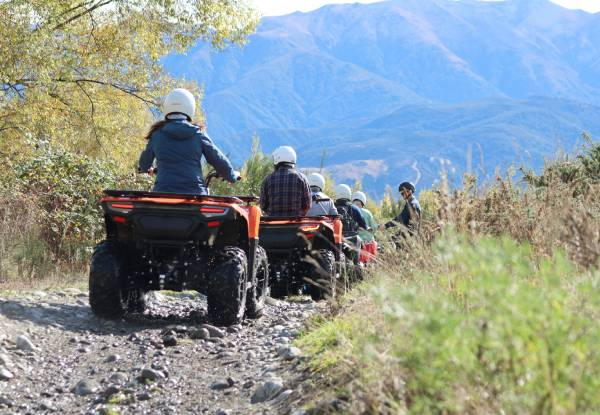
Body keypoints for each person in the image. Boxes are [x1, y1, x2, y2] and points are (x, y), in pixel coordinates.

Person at [138, 88, 239, 194]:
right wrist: (232, 175)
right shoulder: (198, 134)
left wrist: (148, 168)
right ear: (190, 108)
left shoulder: (157, 134)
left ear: (167, 107)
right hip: (194, 193)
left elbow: (144, 164)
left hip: (162, 192)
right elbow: (217, 158)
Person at [260, 146, 311, 217]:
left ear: (277, 160)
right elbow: (307, 205)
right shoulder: (302, 178)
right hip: (296, 224)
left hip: (273, 224)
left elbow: (263, 206)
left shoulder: (267, 179)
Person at [352, 191, 378, 263]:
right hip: (368, 243)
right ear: (363, 202)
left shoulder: (349, 211)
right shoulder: (367, 212)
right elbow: (374, 227)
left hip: (355, 243)